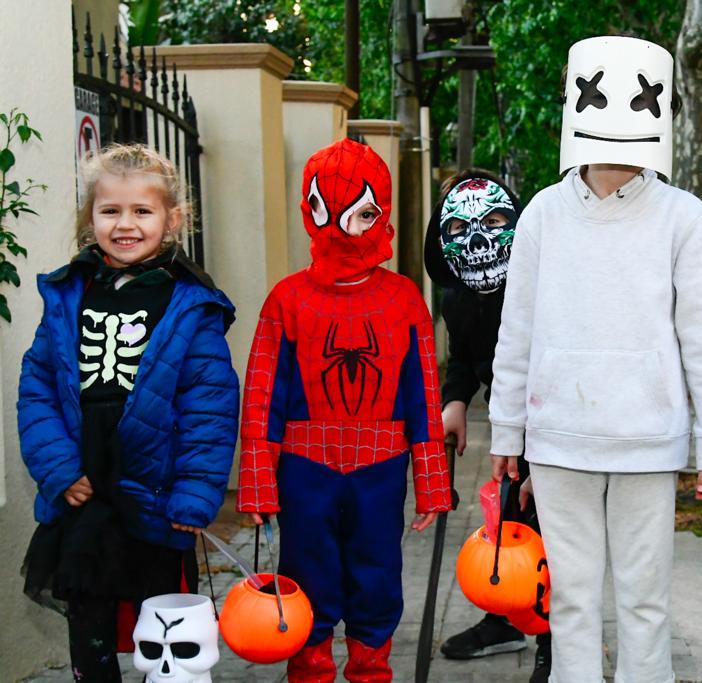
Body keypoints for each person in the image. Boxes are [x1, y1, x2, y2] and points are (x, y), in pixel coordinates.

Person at [488, 36, 702, 682]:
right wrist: (508, 428)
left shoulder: (684, 218)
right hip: (560, 439)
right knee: (570, 599)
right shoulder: (543, 214)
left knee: (644, 600)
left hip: (647, 442)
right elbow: (517, 329)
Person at [18, 143, 239, 682]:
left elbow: (209, 409)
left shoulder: (193, 304)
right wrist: (59, 468)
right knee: (88, 612)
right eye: (110, 210)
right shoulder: (70, 293)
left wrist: (195, 493)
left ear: (171, 220)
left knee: (161, 619)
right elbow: (39, 387)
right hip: (85, 482)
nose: (125, 224)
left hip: (156, 488)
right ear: (89, 215)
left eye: (142, 211)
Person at [236, 138, 452, 683]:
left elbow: (423, 396)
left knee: (377, 574)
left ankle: (371, 670)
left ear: (376, 213)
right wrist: (259, 482)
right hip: (305, 471)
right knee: (307, 575)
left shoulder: (404, 301)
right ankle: (309, 670)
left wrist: (432, 483)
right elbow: (262, 396)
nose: (338, 230)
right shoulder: (286, 300)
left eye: (356, 214)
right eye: (325, 211)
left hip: (380, 470)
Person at [423, 169, 551, 680]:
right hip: (507, 427)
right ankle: (504, 619)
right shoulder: (456, 295)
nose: (478, 236)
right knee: (509, 527)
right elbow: (465, 357)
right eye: (461, 227)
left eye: (496, 220)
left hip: (548, 419)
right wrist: (455, 400)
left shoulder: (541, 283)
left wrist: (541, 448)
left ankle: (553, 641)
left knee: (548, 536)